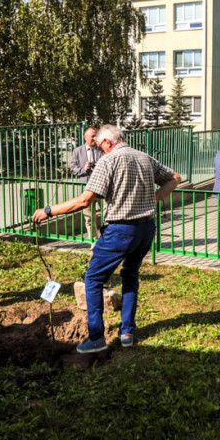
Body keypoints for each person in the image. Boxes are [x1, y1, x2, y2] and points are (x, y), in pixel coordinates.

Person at [32, 125, 180, 352]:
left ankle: (97, 338)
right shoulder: (144, 157)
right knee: (130, 275)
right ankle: (127, 331)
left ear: (108, 143)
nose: (100, 151)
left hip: (120, 231)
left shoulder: (108, 161)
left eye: (101, 147)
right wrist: (155, 199)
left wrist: (49, 211)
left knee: (92, 279)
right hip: (146, 228)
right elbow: (175, 178)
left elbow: (84, 201)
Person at [69, 126, 103, 239]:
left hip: (102, 189)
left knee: (108, 215)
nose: (95, 138)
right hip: (87, 189)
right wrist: (84, 169)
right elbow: (73, 168)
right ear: (85, 137)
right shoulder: (77, 151)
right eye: (92, 136)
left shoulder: (101, 149)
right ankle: (93, 240)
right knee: (89, 217)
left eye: (96, 135)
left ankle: (107, 240)